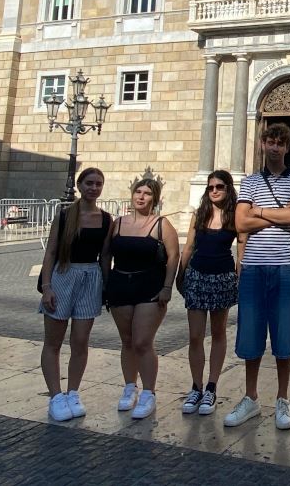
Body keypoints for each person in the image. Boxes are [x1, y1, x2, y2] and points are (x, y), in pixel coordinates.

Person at [224, 122, 290, 430]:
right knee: (250, 332)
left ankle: (283, 399)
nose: (274, 147)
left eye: (280, 143)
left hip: (285, 268)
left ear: (287, 147)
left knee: (284, 334)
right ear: (262, 144)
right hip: (253, 268)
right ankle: (251, 397)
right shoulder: (249, 182)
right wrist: (278, 215)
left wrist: (258, 212)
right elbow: (240, 224)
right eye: (270, 141)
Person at [39, 167, 112, 422]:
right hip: (63, 275)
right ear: (79, 186)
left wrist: (106, 288)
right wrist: (47, 287)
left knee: (80, 341)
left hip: (90, 278)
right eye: (89, 183)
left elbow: (105, 256)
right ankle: (55, 396)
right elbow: (50, 252)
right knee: (53, 342)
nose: (94, 188)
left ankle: (72, 393)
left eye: (98, 184)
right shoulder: (64, 216)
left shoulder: (106, 219)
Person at [106, 178, 180, 420]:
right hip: (120, 285)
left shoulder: (161, 224)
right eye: (138, 191)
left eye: (147, 193)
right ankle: (130, 387)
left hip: (150, 287)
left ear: (154, 198)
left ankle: (149, 392)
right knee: (127, 341)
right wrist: (105, 283)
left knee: (142, 342)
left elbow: (174, 256)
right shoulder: (117, 223)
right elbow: (106, 255)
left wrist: (167, 287)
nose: (141, 196)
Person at [177, 170, 245, 416]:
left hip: (222, 277)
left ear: (228, 188)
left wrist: (239, 276)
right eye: (210, 187)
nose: (214, 191)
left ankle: (211, 387)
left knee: (218, 333)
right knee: (195, 336)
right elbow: (188, 247)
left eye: (219, 186)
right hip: (197, 275)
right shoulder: (200, 214)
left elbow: (242, 249)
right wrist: (180, 275)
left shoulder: (235, 215)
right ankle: (196, 386)